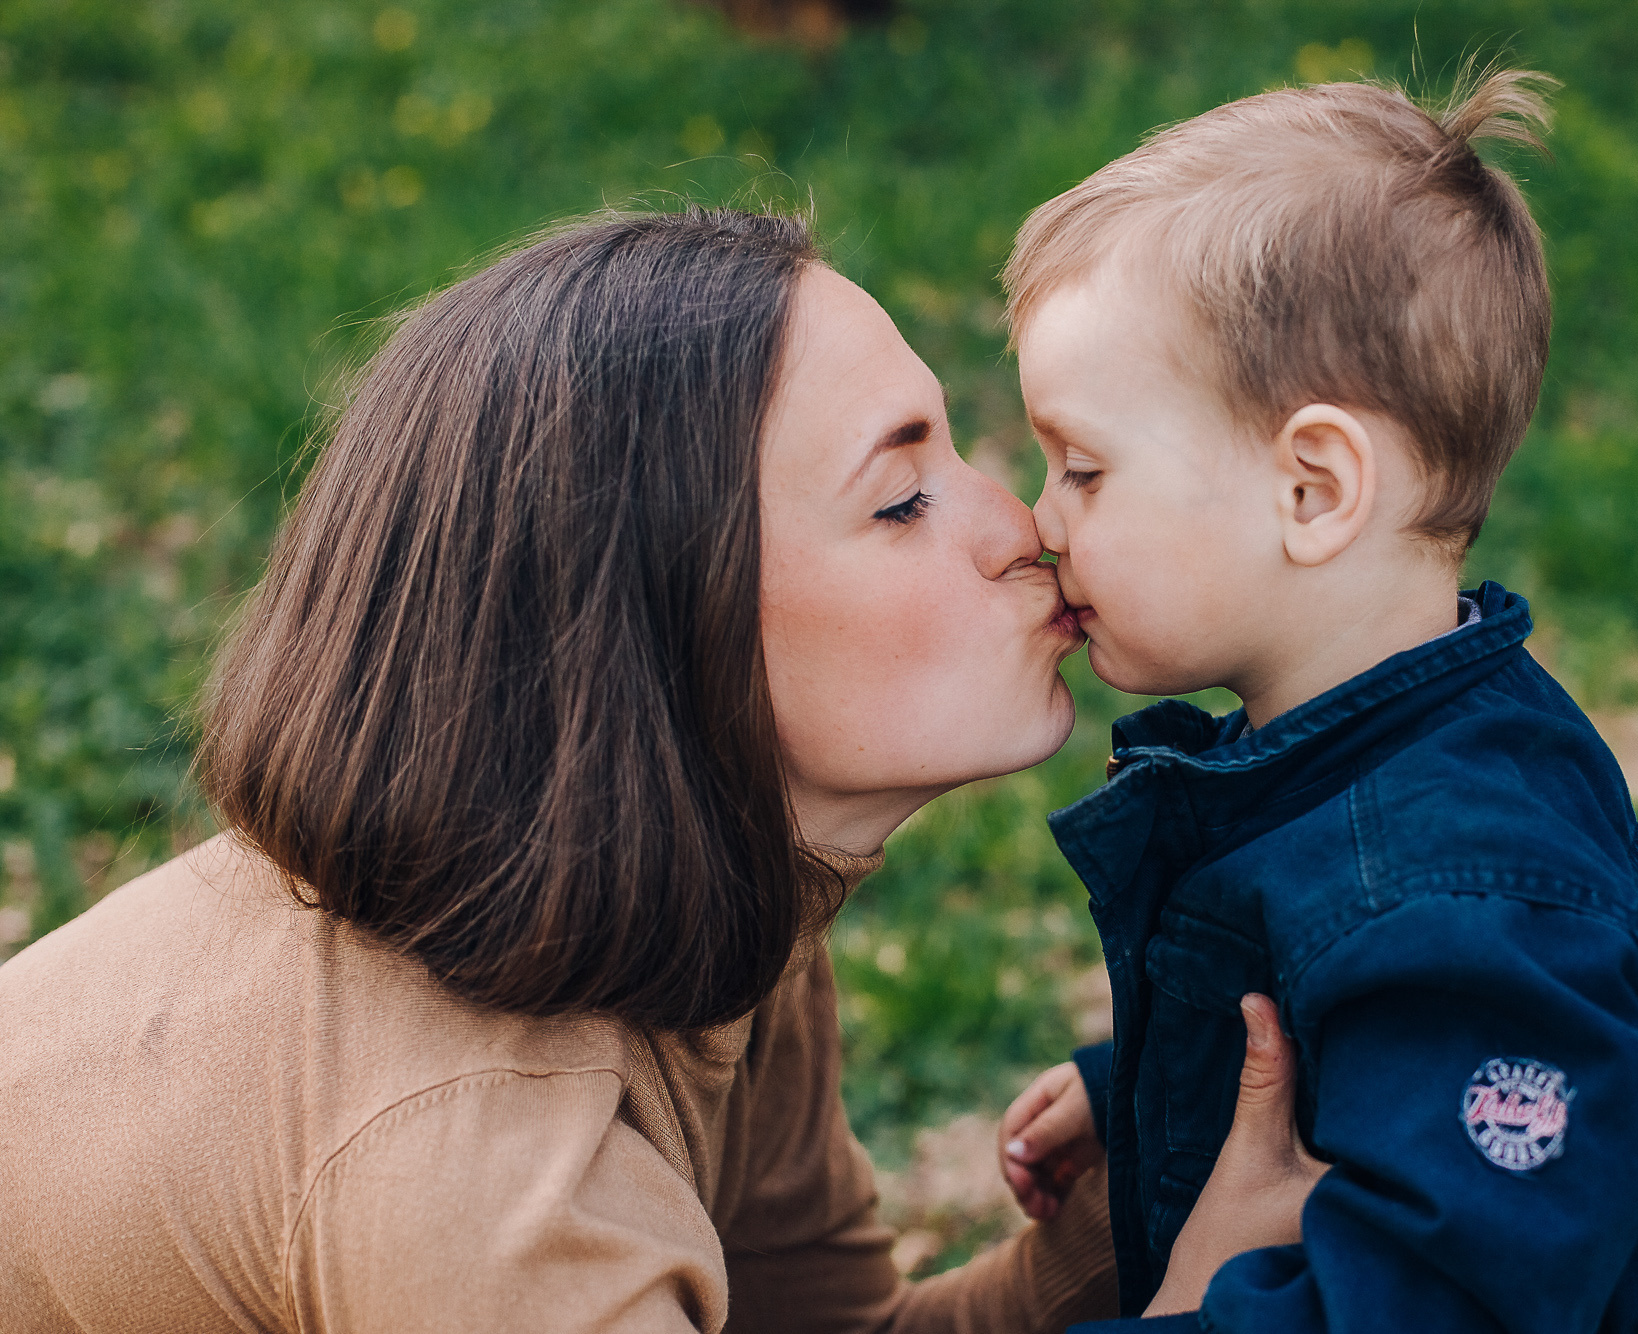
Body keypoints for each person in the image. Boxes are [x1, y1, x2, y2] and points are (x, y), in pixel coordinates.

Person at [0, 209, 1319, 1334]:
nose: (1015, 525)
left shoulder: (704, 895)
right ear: (651, 636)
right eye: (901, 499)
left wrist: (1143, 1203)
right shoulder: (489, 1178)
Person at [990, 73, 1638, 1332]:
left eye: (1083, 468)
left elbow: (1431, 1292)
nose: (1041, 522)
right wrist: (1149, 1079)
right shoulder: (1385, 742)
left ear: (1312, 488)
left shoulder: (1467, 902)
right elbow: (1351, 1033)